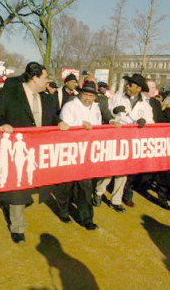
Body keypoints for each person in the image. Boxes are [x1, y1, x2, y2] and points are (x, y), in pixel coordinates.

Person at [0, 62, 63, 243]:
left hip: (39, 151)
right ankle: (17, 227)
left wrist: (60, 124)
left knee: (30, 187)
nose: (47, 82)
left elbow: (53, 120)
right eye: (45, 78)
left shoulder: (48, 99)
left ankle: (9, 201)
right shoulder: (9, 94)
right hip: (17, 149)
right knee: (18, 188)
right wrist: (1, 125)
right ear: (35, 77)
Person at [58, 82, 101, 230]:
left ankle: (87, 219)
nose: (88, 98)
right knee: (67, 185)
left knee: (86, 188)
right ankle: (63, 211)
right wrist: (80, 124)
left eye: (91, 95)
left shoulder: (96, 108)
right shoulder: (70, 106)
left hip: (87, 153)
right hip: (71, 151)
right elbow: (64, 126)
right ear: (80, 94)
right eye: (86, 95)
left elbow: (99, 127)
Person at [109, 73, 154, 207]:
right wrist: (114, 112)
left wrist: (144, 121)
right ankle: (99, 191)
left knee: (127, 170)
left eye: (131, 85)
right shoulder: (117, 97)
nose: (128, 86)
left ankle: (122, 197)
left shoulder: (145, 105)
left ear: (139, 88)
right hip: (117, 138)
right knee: (110, 168)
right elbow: (107, 111)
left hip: (134, 140)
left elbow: (151, 122)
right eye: (128, 84)